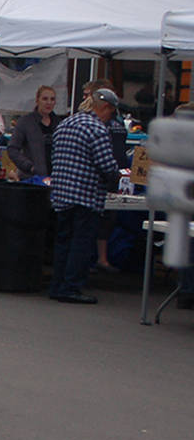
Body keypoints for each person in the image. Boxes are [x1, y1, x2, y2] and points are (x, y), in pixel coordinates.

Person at [48, 87, 122, 304]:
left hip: (61, 194)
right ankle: (71, 287)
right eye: (111, 112)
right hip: (85, 195)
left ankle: (57, 285)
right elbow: (107, 165)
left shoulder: (65, 124)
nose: (110, 118)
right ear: (106, 108)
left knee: (63, 241)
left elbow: (55, 156)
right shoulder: (97, 130)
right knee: (81, 243)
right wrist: (116, 179)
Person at [79, 79, 128, 271]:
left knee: (108, 218)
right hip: (100, 174)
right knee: (93, 219)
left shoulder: (116, 120)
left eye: (87, 95)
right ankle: (92, 259)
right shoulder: (92, 123)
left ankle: (102, 258)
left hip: (115, 172)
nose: (85, 98)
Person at [7, 85, 62, 180]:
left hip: (55, 178)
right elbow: (12, 149)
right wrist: (28, 166)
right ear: (37, 100)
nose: (49, 102)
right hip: (31, 178)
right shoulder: (25, 122)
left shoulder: (59, 123)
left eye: (52, 99)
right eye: (45, 99)